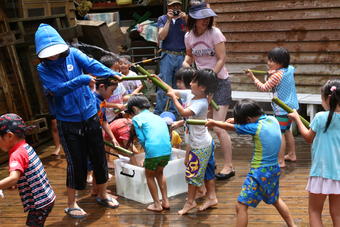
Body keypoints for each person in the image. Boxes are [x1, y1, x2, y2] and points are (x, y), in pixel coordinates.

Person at [35, 23, 120, 218]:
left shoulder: (73, 53)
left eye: (56, 51)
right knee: (76, 163)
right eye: (48, 53)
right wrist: (82, 80)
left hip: (89, 114)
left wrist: (109, 73)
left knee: (99, 157)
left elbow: (92, 64)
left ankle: (103, 193)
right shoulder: (43, 69)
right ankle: (72, 203)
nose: (53, 56)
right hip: (68, 121)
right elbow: (56, 90)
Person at [206, 99, 296, 227]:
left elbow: (229, 127)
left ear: (248, 120)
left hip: (259, 173)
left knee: (241, 205)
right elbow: (243, 124)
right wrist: (237, 120)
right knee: (275, 200)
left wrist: (215, 122)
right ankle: (292, 225)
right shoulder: (273, 120)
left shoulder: (256, 127)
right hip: (273, 170)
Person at [183, 3, 234, 180]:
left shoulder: (215, 33)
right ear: (193, 18)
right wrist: (185, 65)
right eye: (201, 17)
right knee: (203, 125)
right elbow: (190, 55)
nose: (205, 20)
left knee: (219, 127)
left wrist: (211, 75)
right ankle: (209, 162)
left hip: (219, 83)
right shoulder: (188, 36)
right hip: (203, 85)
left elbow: (221, 58)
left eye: (207, 17)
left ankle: (229, 165)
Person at [288, 79, 340, 227]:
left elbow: (309, 138)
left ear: (327, 99)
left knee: (314, 211)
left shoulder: (320, 117)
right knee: (337, 214)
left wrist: (297, 119)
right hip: (339, 174)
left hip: (321, 172)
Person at [166, 69, 218, 215]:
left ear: (202, 87)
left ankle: (190, 202)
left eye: (193, 81)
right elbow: (171, 90)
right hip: (203, 142)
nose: (190, 83)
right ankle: (209, 196)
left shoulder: (201, 103)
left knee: (192, 175)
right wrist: (157, 80)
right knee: (207, 172)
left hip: (200, 145)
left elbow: (184, 113)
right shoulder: (191, 94)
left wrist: (174, 99)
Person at [246, 47, 299, 167]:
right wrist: (272, 72)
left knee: (280, 133)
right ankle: (292, 154)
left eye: (271, 61)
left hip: (282, 109)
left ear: (280, 63)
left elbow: (264, 87)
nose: (268, 63)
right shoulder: (289, 69)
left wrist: (253, 77)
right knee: (287, 131)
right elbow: (280, 73)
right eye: (268, 60)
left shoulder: (276, 76)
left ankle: (280, 161)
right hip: (292, 107)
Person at [0, 113, 56, 226]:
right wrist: (14, 183)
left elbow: (13, 178)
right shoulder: (25, 147)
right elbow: (25, 174)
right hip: (46, 198)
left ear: (9, 136)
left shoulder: (16, 154)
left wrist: (11, 182)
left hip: (40, 203)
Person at [126, 94, 172, 212]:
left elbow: (141, 138)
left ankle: (157, 204)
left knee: (150, 175)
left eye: (131, 112)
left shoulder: (137, 118)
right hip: (167, 150)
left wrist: (147, 154)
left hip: (153, 150)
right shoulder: (157, 117)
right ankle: (165, 201)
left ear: (135, 109)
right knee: (160, 173)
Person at [154, 0, 187, 116]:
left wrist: (187, 20)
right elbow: (161, 36)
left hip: (182, 55)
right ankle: (158, 112)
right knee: (163, 84)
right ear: (168, 7)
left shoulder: (185, 19)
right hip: (167, 54)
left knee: (179, 85)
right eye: (173, 6)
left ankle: (175, 112)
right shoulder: (162, 19)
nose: (175, 8)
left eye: (177, 6)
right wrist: (169, 20)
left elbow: (192, 34)